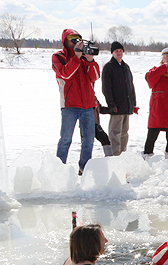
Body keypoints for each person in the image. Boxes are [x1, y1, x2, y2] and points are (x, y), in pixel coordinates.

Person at [52, 29, 101, 174]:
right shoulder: (58, 57)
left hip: (88, 105)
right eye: (72, 39)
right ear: (65, 41)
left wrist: (90, 60)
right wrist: (76, 57)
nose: (75, 42)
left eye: (78, 39)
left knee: (89, 139)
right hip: (69, 105)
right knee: (66, 139)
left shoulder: (85, 58)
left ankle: (84, 168)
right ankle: (58, 170)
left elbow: (95, 76)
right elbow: (65, 74)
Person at [101, 41, 137, 156]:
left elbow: (131, 86)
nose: (119, 53)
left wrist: (133, 103)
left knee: (124, 132)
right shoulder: (109, 67)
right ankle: (114, 155)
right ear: (112, 53)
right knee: (115, 133)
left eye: (120, 51)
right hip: (116, 106)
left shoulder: (126, 67)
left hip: (127, 105)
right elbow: (106, 88)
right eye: (116, 51)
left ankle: (122, 154)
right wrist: (111, 104)